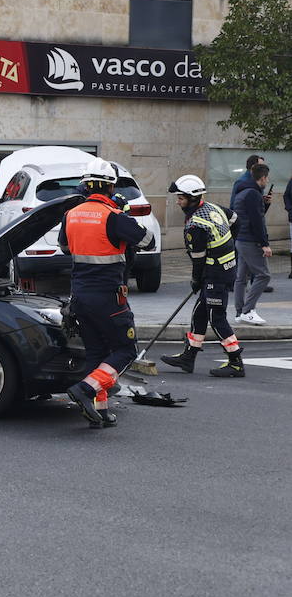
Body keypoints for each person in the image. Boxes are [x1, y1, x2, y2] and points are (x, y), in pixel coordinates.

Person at [57, 159, 147, 428]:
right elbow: (147, 240)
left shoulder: (71, 214)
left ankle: (101, 411)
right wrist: (122, 214)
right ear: (110, 187)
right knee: (125, 350)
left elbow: (64, 247)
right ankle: (85, 389)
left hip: (80, 296)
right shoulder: (114, 216)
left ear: (85, 186)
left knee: (96, 352)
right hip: (109, 297)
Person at [161, 175, 245, 378]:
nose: (178, 201)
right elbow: (235, 219)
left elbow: (198, 259)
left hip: (215, 274)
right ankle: (189, 357)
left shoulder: (195, 225)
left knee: (216, 317)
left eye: (181, 198)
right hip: (224, 268)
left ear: (192, 198)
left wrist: (196, 280)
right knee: (200, 312)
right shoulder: (213, 207)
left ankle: (235, 362)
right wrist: (229, 244)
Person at [232, 163, 272, 326]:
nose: (267, 181)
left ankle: (239, 312)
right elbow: (257, 221)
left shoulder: (243, 191)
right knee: (264, 275)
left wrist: (265, 204)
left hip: (241, 239)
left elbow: (249, 214)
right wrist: (264, 244)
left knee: (241, 277)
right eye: (266, 178)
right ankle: (248, 311)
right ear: (262, 178)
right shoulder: (253, 194)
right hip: (250, 240)